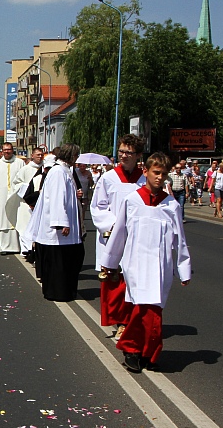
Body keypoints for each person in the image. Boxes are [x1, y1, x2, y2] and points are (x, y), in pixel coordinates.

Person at [103, 152, 192, 373]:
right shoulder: (132, 200)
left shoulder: (171, 205)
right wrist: (110, 262)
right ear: (146, 172)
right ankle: (133, 350)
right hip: (136, 265)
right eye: (156, 173)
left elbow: (179, 239)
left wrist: (184, 269)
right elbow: (119, 233)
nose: (160, 178)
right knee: (142, 309)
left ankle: (147, 352)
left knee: (154, 310)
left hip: (161, 267)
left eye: (164, 174)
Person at [90, 134, 145, 331]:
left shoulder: (145, 180)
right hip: (112, 236)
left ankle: (131, 320)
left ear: (138, 155)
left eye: (128, 152)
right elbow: (98, 207)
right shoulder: (108, 178)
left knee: (132, 280)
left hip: (136, 238)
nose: (123, 156)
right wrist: (114, 226)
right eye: (121, 151)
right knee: (115, 280)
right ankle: (120, 321)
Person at [26, 143, 84, 302]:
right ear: (71, 156)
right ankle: (58, 292)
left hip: (63, 229)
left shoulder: (64, 170)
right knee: (59, 264)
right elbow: (58, 199)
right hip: (57, 230)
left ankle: (64, 290)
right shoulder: (58, 172)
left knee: (68, 261)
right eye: (76, 156)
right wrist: (61, 223)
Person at [14, 147, 45, 258]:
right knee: (24, 227)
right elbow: (16, 183)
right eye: (38, 154)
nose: (40, 156)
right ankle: (25, 250)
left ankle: (35, 251)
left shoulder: (45, 169)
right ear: (32, 155)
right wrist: (28, 190)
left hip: (40, 202)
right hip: (25, 202)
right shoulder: (25, 169)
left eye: (41, 154)